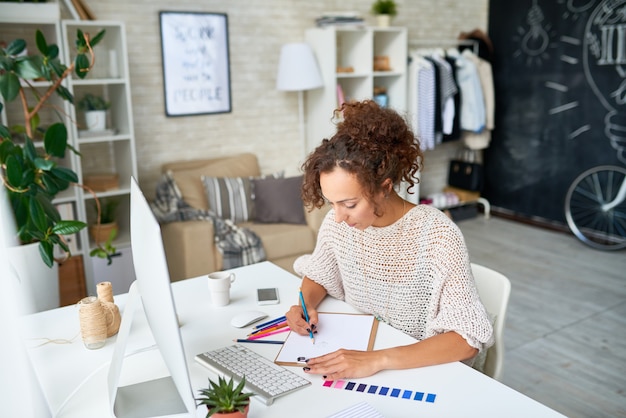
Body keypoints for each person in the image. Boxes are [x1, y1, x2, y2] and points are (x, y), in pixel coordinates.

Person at [285, 100, 494, 381]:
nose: (337, 217)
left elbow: (466, 340)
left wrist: (377, 360)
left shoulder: (437, 234)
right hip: (365, 359)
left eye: (348, 204)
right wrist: (305, 303)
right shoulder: (339, 226)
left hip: (421, 371)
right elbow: (321, 273)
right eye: (331, 203)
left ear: (383, 188)